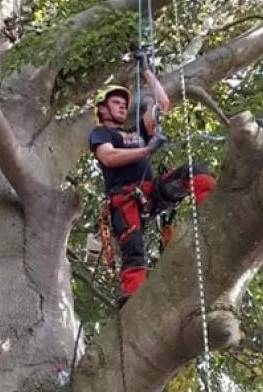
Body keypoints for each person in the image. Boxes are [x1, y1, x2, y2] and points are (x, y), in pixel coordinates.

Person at [89, 56, 215, 300]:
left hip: (150, 193)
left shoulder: (136, 130)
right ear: (102, 108)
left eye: (124, 103)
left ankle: (212, 206)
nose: (122, 106)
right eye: (116, 102)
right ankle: (133, 295)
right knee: (133, 249)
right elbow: (108, 157)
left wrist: (146, 70)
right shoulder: (101, 133)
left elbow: (163, 104)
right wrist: (147, 150)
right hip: (124, 200)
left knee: (193, 170)